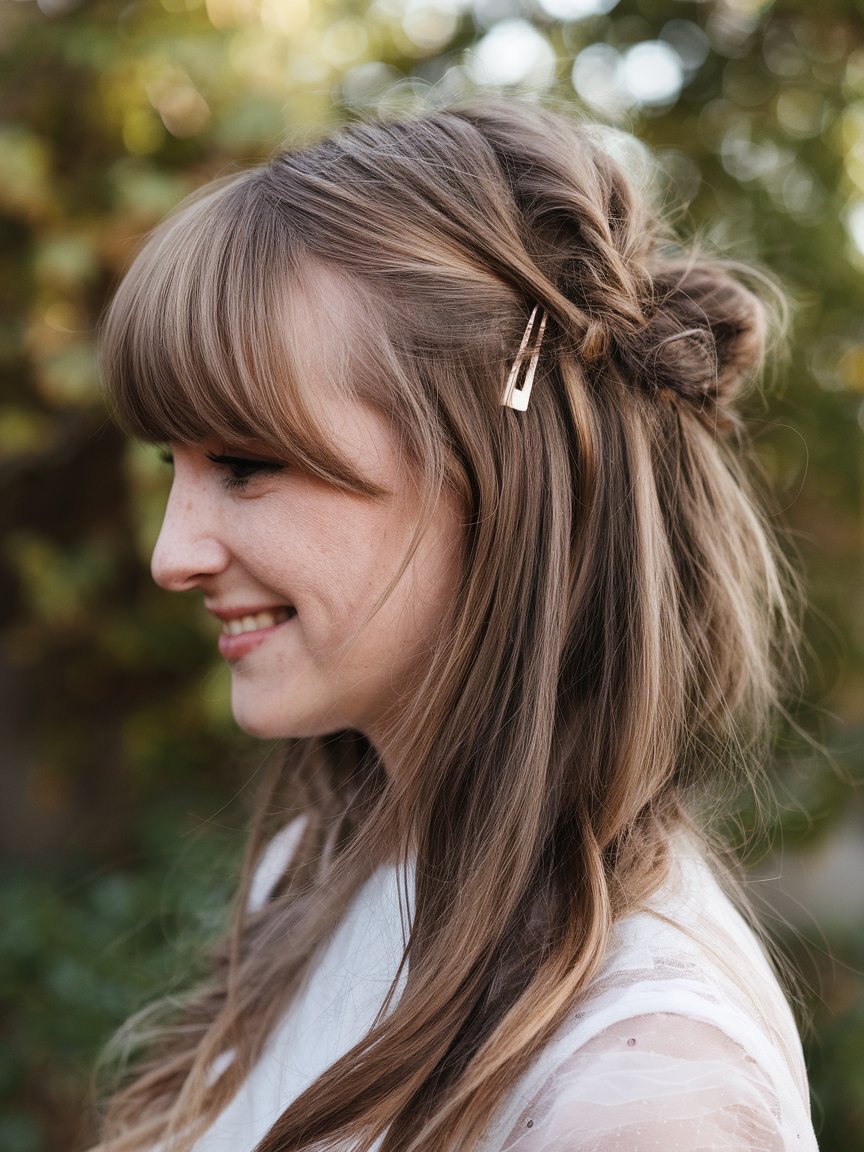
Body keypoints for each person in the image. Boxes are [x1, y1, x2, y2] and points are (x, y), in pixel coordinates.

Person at [94, 97, 818, 1151]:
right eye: (177, 466)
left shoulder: (642, 1099)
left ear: (500, 474)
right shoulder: (319, 870)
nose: (173, 555)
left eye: (246, 464)